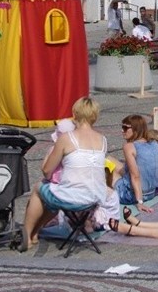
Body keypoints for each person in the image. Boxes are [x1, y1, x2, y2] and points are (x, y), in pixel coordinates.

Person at [22, 97, 107, 250]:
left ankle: (27, 236)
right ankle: (36, 230)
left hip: (74, 196)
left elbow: (47, 170)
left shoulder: (67, 138)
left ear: (75, 114)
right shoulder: (103, 140)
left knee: (39, 188)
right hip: (96, 196)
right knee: (53, 190)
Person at [111, 114, 158, 210]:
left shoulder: (129, 146)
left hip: (130, 195)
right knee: (110, 159)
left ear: (136, 129)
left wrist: (139, 202)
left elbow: (135, 176)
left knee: (106, 169)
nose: (122, 130)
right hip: (151, 193)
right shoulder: (155, 145)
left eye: (125, 128)